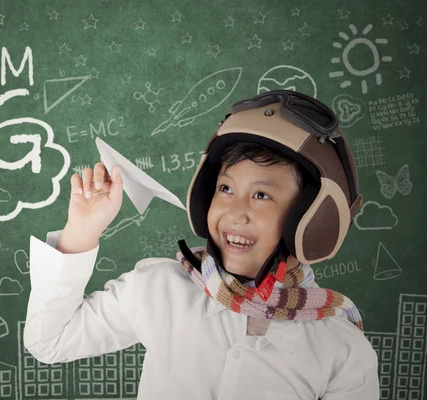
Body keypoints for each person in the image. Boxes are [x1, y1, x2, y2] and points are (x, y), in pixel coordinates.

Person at [24, 90, 379, 399]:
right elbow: (50, 341)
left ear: (312, 217)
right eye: (225, 189)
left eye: (261, 194)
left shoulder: (340, 348)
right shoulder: (159, 289)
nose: (235, 212)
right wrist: (81, 232)